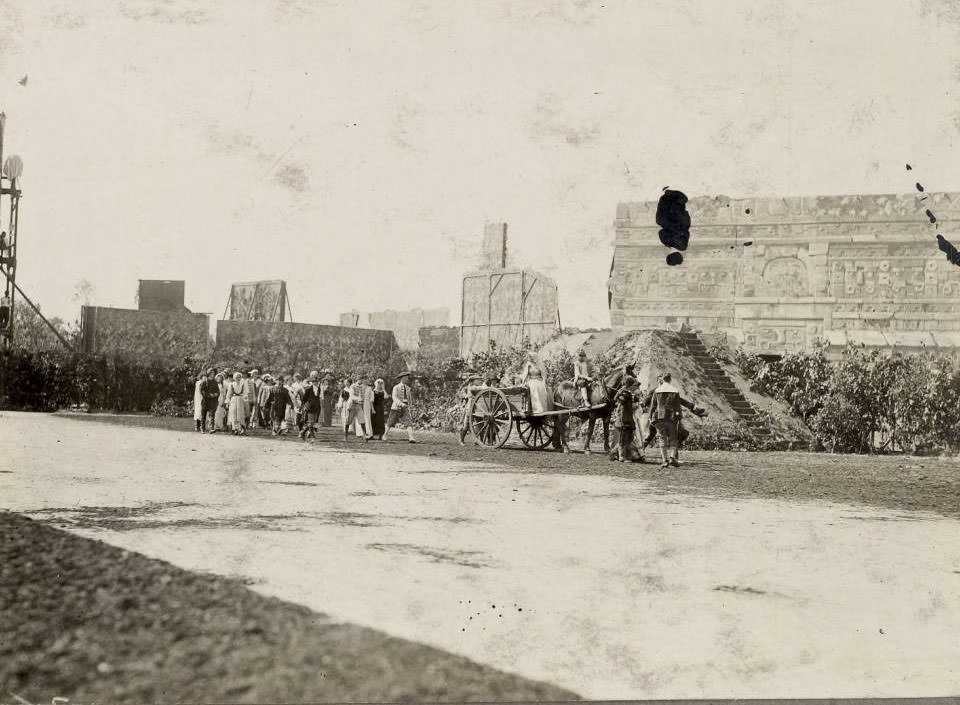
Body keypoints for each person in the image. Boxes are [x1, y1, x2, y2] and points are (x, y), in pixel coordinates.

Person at [647, 372, 706, 468]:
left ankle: (664, 460)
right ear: (670, 380)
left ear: (663, 380)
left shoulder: (657, 391)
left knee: (662, 438)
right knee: (674, 438)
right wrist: (679, 417)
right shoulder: (674, 390)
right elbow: (677, 406)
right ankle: (672, 458)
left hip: (659, 417)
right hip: (671, 418)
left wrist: (650, 417)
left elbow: (653, 406)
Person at [612, 376, 640, 462]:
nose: (634, 387)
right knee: (623, 437)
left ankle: (618, 454)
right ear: (630, 385)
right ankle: (621, 456)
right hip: (623, 416)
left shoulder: (626, 392)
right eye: (633, 385)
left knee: (629, 436)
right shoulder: (624, 392)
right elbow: (620, 403)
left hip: (627, 415)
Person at [384, 371, 416, 443]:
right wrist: (401, 404)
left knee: (408, 422)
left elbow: (409, 398)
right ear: (402, 378)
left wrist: (410, 406)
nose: (407, 379)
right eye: (406, 378)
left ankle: (411, 437)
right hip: (396, 407)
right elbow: (394, 397)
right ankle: (385, 435)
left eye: (407, 378)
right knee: (390, 422)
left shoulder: (408, 388)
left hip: (405, 407)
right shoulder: (396, 387)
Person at [300, 371, 323, 439]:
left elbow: (320, 398)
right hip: (310, 407)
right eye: (314, 381)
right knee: (310, 422)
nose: (315, 382)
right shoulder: (308, 390)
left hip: (317, 407)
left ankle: (303, 432)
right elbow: (304, 399)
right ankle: (312, 436)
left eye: (316, 381)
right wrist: (303, 406)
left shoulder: (320, 389)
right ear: (312, 382)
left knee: (313, 423)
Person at [200, 368, 221, 433]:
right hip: (205, 401)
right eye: (211, 373)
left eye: (213, 373)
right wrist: (209, 395)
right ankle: (202, 428)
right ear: (208, 374)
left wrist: (216, 394)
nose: (213, 374)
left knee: (212, 415)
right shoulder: (205, 381)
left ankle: (211, 428)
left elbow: (218, 391)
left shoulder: (215, 382)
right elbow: (202, 391)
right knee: (203, 415)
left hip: (213, 401)